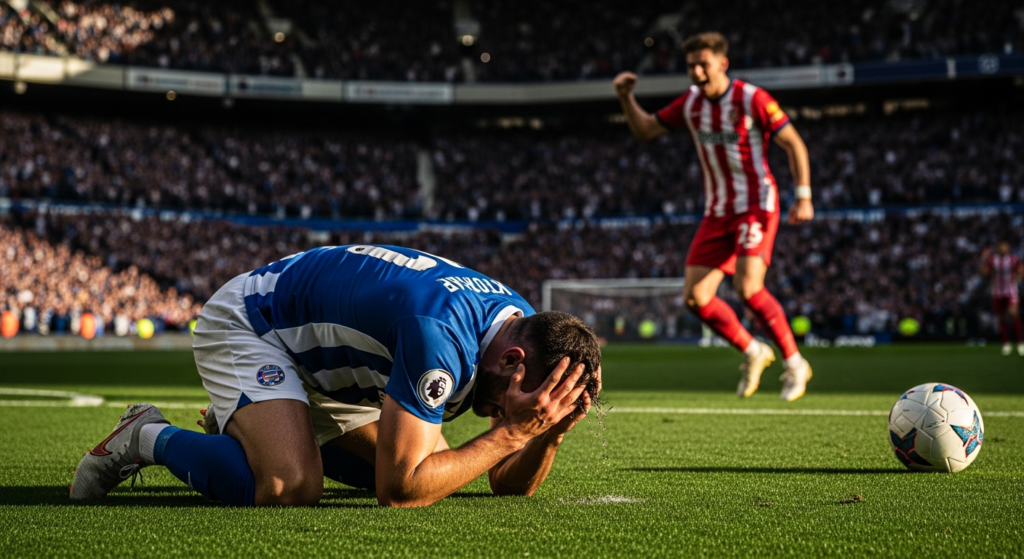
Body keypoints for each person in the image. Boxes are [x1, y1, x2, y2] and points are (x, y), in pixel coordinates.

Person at [71, 244, 602, 507]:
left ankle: (252, 424)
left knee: (441, 462)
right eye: (529, 400)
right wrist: (512, 432)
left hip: (341, 366)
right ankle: (145, 434)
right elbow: (400, 490)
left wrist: (547, 432)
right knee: (289, 484)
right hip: (256, 322)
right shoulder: (440, 337)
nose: (521, 411)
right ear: (512, 361)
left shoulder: (519, 328)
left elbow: (506, 486)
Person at [613, 31, 813, 401]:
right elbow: (645, 130)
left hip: (756, 204)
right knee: (696, 298)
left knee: (747, 287)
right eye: (691, 65)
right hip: (718, 211)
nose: (697, 71)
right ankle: (753, 351)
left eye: (703, 64)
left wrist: (803, 195)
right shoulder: (690, 104)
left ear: (722, 63)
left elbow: (794, 143)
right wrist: (626, 96)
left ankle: (795, 363)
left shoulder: (752, 98)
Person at [981, 241, 1023, 356]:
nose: (1004, 248)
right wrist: (983, 260)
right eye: (1002, 247)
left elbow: (1021, 270)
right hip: (997, 293)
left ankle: (1019, 343)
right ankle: (1006, 344)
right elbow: (984, 273)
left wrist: (1018, 277)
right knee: (1002, 319)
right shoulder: (992, 260)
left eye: (1006, 246)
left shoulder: (1013, 259)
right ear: (998, 248)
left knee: (1014, 314)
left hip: (1010, 292)